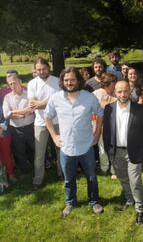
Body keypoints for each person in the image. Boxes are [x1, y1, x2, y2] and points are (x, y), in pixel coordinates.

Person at [45, 67, 104, 217]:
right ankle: (70, 202)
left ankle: (94, 202)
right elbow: (47, 116)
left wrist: (97, 133)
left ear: (78, 80)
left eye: (72, 79)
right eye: (66, 80)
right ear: (62, 82)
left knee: (91, 177)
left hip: (86, 146)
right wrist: (54, 136)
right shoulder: (55, 98)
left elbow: (100, 113)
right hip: (66, 147)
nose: (69, 83)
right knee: (68, 179)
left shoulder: (89, 97)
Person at [103, 80, 143, 225]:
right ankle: (130, 200)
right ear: (114, 92)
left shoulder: (139, 109)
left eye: (125, 91)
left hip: (134, 151)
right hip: (117, 151)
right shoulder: (109, 108)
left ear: (130, 91)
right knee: (123, 178)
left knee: (135, 181)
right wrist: (108, 150)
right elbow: (107, 131)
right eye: (119, 91)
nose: (122, 94)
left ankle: (141, 209)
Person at [27, 58, 62, 190]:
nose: (41, 71)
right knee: (39, 154)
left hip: (58, 121)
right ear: (35, 70)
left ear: (48, 68)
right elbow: (32, 104)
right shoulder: (32, 84)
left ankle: (62, 173)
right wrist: (50, 102)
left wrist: (41, 103)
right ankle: (38, 179)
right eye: (39, 69)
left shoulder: (57, 81)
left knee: (61, 150)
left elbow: (59, 101)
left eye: (44, 69)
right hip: (40, 123)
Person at [3, 74, 35, 176]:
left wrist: (15, 113)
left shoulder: (29, 94)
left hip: (30, 126)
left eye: (14, 82)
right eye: (10, 84)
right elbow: (7, 114)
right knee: (19, 150)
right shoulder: (7, 97)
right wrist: (23, 114)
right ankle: (25, 170)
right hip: (16, 129)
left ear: (20, 81)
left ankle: (38, 167)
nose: (13, 85)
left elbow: (31, 109)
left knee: (34, 148)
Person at [93, 73, 118, 179]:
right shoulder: (96, 94)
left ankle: (114, 170)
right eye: (114, 84)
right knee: (102, 148)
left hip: (114, 126)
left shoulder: (116, 93)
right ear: (107, 84)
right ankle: (104, 167)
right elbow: (92, 112)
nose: (115, 85)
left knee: (114, 148)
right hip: (100, 126)